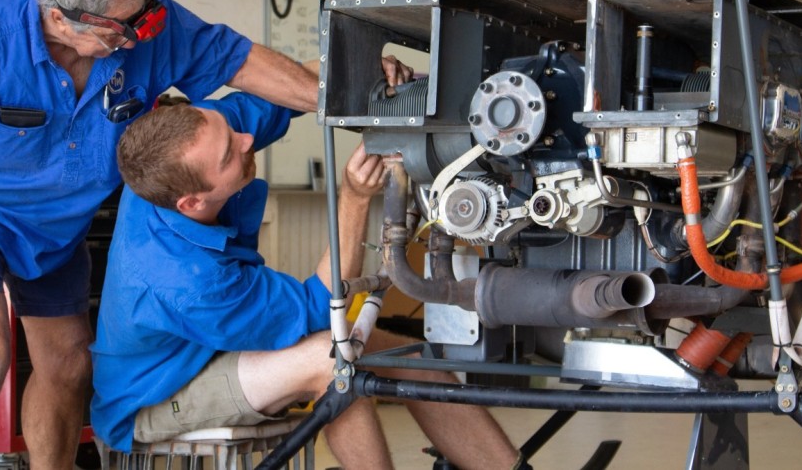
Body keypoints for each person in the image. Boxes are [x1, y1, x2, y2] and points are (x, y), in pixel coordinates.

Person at [0, 0, 350, 469]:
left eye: (146, 17)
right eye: (125, 30)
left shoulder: (144, 23)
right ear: (60, 19)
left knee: (68, 366)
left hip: (57, 228)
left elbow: (239, 62)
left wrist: (342, 99)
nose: (143, 36)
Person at [91, 92, 529, 470]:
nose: (246, 141)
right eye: (229, 155)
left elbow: (268, 100)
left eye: (229, 132)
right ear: (191, 203)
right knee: (333, 358)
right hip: (155, 393)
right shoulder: (187, 283)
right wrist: (355, 197)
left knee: (402, 351)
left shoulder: (179, 155)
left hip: (204, 344)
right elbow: (317, 310)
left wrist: (349, 80)